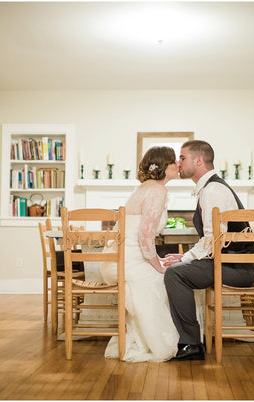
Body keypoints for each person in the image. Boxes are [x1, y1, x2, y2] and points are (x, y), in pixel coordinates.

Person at [162, 140, 254, 361]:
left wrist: (184, 259)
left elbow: (213, 239)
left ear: (198, 161)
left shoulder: (213, 190)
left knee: (175, 274)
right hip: (230, 263)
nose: (178, 162)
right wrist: (184, 257)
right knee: (179, 267)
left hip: (237, 268)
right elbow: (213, 240)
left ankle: (191, 344)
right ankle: (191, 340)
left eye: (182, 157)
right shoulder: (210, 187)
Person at [100, 146, 180, 362]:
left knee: (163, 275)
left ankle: (139, 338)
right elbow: (145, 237)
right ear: (164, 166)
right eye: (174, 161)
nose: (178, 164)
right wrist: (158, 265)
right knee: (165, 279)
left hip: (119, 258)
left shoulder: (145, 187)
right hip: (127, 261)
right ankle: (154, 342)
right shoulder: (157, 190)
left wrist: (156, 261)